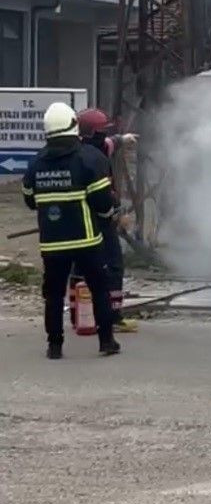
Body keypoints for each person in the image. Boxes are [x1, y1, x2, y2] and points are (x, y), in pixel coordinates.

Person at [22, 102, 120, 359]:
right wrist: (109, 216)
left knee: (53, 295)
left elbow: (29, 199)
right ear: (73, 126)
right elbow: (102, 201)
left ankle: (54, 346)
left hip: (52, 244)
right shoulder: (88, 159)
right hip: (86, 240)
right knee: (99, 288)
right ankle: (106, 341)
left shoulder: (36, 164)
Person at [77, 108, 139, 334]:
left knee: (80, 268)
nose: (107, 136)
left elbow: (111, 142)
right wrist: (116, 214)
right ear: (95, 133)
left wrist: (123, 139)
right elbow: (103, 194)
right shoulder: (96, 159)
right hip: (101, 219)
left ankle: (81, 316)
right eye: (103, 131)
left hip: (79, 222)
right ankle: (113, 317)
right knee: (113, 266)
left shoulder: (80, 150)